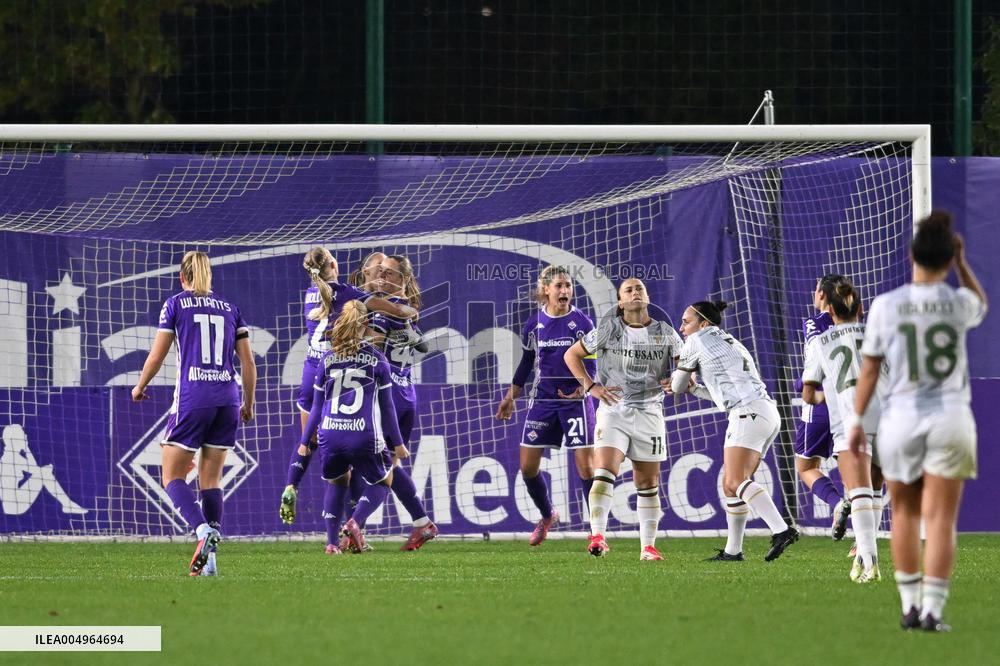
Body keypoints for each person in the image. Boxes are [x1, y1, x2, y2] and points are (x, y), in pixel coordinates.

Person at [848, 211, 987, 632]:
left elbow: (869, 370)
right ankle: (932, 611)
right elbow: (979, 302)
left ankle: (909, 606)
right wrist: (962, 264)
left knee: (904, 513)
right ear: (949, 258)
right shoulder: (959, 302)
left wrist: (856, 419)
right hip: (950, 417)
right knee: (940, 518)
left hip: (901, 418)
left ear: (912, 255)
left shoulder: (887, 306)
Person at [131, 251, 257, 576]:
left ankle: (201, 532)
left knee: (172, 476)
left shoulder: (175, 304)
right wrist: (248, 403)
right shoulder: (231, 309)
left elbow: (157, 355)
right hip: (228, 397)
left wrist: (139, 386)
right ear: (209, 276)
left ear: (182, 277)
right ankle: (211, 563)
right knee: (211, 480)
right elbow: (248, 362)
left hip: (194, 395)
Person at [279, 248, 416, 534]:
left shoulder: (312, 292)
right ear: (334, 264)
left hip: (312, 375)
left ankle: (293, 484)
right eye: (377, 269)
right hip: (341, 374)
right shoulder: (348, 294)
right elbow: (388, 309)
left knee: (318, 449)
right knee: (362, 456)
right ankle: (355, 526)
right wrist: (406, 308)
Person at [299, 300, 434, 554]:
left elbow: (316, 408)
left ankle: (330, 543)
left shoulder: (327, 359)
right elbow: (387, 408)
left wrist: (305, 442)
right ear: (365, 325)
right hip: (363, 434)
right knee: (383, 480)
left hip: (330, 433)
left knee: (337, 483)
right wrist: (398, 443)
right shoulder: (376, 359)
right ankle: (354, 523)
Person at [670, 300, 799, 562]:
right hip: (765, 413)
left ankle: (781, 529)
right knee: (734, 485)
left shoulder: (696, 341)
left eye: (686, 321)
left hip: (747, 413)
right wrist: (693, 388)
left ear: (703, 323)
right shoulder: (729, 341)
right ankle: (733, 550)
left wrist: (680, 382)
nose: (682, 327)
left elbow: (675, 386)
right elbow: (720, 394)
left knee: (734, 481)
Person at [563, 278, 682, 561]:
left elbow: (685, 364)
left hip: (650, 412)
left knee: (647, 482)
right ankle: (598, 536)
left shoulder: (665, 333)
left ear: (647, 297)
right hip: (614, 410)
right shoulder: (608, 331)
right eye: (628, 290)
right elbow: (572, 354)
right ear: (620, 302)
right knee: (604, 472)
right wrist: (591, 386)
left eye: (639, 288)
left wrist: (678, 380)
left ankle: (648, 548)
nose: (635, 292)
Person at [496, 266, 596, 546]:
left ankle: (596, 530)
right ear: (546, 290)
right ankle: (547, 514)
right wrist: (510, 396)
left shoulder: (583, 323)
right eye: (559, 286)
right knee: (527, 468)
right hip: (543, 401)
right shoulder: (534, 324)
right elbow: (527, 364)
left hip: (575, 402)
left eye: (568, 286)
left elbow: (594, 361)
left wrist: (585, 387)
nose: (565, 291)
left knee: (586, 469)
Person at [802, 277, 885, 583]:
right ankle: (866, 557)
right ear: (861, 309)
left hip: (849, 422)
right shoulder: (880, 335)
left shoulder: (822, 341)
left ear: (832, 314)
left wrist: (829, 395)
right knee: (875, 489)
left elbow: (808, 393)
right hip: (886, 418)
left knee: (859, 490)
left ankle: (868, 561)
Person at [353, 254, 439, 551]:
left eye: (388, 274)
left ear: (402, 279)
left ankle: (353, 524)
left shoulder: (383, 311)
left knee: (375, 464)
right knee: (388, 463)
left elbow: (371, 350)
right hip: (406, 395)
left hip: (385, 395)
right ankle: (421, 522)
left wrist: (348, 332)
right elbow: (423, 346)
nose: (382, 277)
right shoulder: (406, 309)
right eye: (380, 272)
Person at [794, 275, 851, 539]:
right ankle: (861, 544)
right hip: (852, 405)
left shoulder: (813, 323)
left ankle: (836, 502)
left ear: (821, 296)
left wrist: (802, 383)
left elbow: (816, 364)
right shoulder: (857, 326)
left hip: (820, 404)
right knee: (855, 472)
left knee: (805, 467)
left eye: (816, 289)